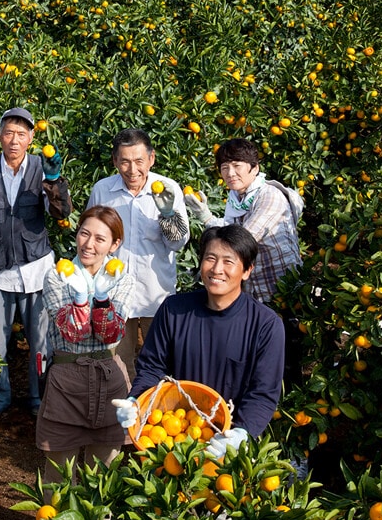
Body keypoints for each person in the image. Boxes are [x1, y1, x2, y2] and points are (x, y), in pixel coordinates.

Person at [113, 225, 285, 458]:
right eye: (210, 258)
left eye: (228, 261)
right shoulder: (174, 310)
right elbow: (152, 367)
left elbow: (263, 393)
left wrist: (241, 433)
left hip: (228, 444)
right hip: (175, 436)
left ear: (247, 270)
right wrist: (137, 399)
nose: (217, 269)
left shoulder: (265, 325)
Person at [0, 107, 73, 424]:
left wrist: (54, 180)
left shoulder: (40, 167)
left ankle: (40, 397)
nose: (15, 140)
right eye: (9, 132)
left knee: (41, 342)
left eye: (22, 134)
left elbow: (61, 213)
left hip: (36, 270)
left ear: (31, 138)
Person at [36, 206, 135, 486]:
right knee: (59, 478)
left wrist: (101, 297)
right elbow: (73, 334)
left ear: (115, 244)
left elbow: (110, 334)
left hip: (109, 378)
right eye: (84, 234)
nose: (88, 244)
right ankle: (55, 518)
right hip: (66, 381)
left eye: (100, 239)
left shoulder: (123, 279)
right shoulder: (57, 276)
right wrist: (81, 297)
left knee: (102, 478)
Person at [86, 128, 190, 381]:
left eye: (139, 161)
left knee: (161, 363)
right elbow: (90, 239)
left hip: (155, 294)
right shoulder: (103, 190)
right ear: (115, 161)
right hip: (115, 295)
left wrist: (168, 215)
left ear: (151, 159)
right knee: (117, 365)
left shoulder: (167, 189)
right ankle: (124, 404)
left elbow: (178, 243)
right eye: (125, 161)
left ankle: (156, 403)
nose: (132, 170)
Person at [184, 138, 302, 304]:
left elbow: (242, 239)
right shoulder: (235, 200)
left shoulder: (270, 196)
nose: (230, 173)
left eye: (237, 166)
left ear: (255, 168)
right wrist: (206, 216)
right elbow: (230, 231)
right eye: (225, 168)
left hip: (282, 290)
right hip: (254, 292)